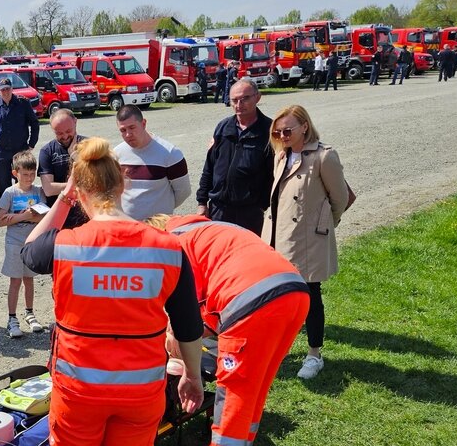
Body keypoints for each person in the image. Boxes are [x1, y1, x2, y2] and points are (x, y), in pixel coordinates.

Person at [21, 137, 204, 446]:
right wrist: (192, 375)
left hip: (78, 392)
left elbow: (28, 250)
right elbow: (188, 325)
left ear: (79, 190)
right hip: (140, 392)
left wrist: (60, 204)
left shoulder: (66, 244)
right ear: (122, 184)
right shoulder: (168, 249)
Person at [147, 213, 310, 446]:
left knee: (232, 392)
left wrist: (182, 358)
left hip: (251, 300)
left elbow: (189, 319)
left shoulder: (175, 244)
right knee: (254, 388)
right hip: (293, 292)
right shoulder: (206, 228)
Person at [263, 105, 350, 380]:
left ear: (304, 127)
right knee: (280, 297)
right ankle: (280, 349)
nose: (282, 135)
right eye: (277, 131)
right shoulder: (281, 154)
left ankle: (314, 354)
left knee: (311, 296)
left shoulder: (324, 156)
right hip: (278, 237)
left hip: (308, 239)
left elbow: (341, 198)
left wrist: (323, 224)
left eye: (287, 130)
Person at [196, 78, 273, 235]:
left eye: (245, 99)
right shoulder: (223, 127)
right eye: (234, 100)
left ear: (258, 97)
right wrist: (202, 202)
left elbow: (272, 174)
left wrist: (262, 204)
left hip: (249, 213)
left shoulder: (269, 131)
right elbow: (209, 168)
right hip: (218, 210)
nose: (239, 105)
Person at [0, 150, 46, 338]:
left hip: (32, 242)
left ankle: (30, 313)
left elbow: (43, 216)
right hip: (14, 243)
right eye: (25, 174)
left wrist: (22, 218)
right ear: (15, 173)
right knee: (15, 281)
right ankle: (12, 319)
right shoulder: (10, 193)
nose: (30, 178)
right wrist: (24, 216)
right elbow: (0, 221)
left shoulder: (38, 191)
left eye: (32, 174)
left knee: (29, 279)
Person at [113, 105, 190, 221]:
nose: (128, 134)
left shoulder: (170, 153)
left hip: (159, 228)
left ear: (143, 124)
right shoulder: (116, 154)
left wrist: (163, 211)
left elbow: (183, 191)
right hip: (128, 227)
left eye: (132, 127)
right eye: (123, 130)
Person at [0, 77, 40, 195]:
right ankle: (6, 211)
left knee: (23, 183)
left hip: (20, 150)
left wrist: (31, 144)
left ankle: (23, 210)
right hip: (1, 152)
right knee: (3, 185)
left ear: (12, 89)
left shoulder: (23, 103)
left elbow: (34, 123)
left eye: (7, 89)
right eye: (2, 90)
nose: (5, 92)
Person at [37, 108, 89, 228]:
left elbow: (99, 181)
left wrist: (76, 157)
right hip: (60, 219)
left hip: (87, 216)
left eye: (68, 131)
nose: (65, 136)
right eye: (59, 133)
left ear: (75, 122)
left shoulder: (90, 145)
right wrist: (80, 185)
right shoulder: (47, 151)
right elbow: (48, 189)